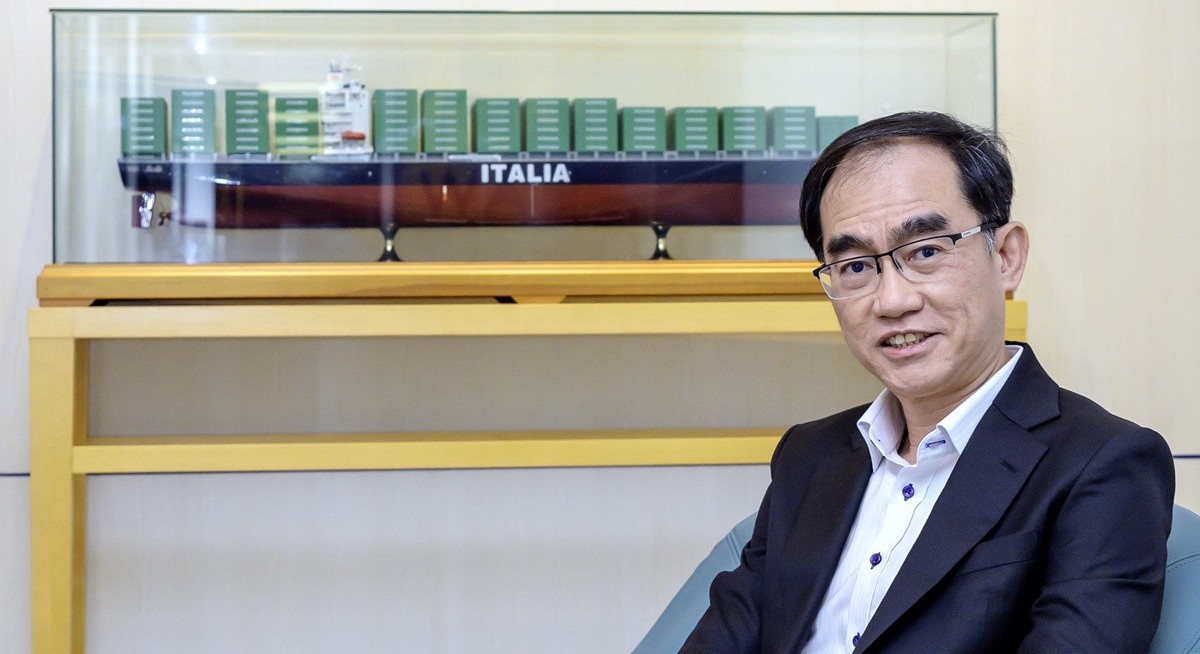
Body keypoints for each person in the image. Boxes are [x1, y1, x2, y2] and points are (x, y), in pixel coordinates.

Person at [680, 111, 1175, 653]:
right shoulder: (809, 455)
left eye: (926, 251)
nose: (892, 301)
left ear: (1006, 257)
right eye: (855, 266)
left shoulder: (1103, 465)